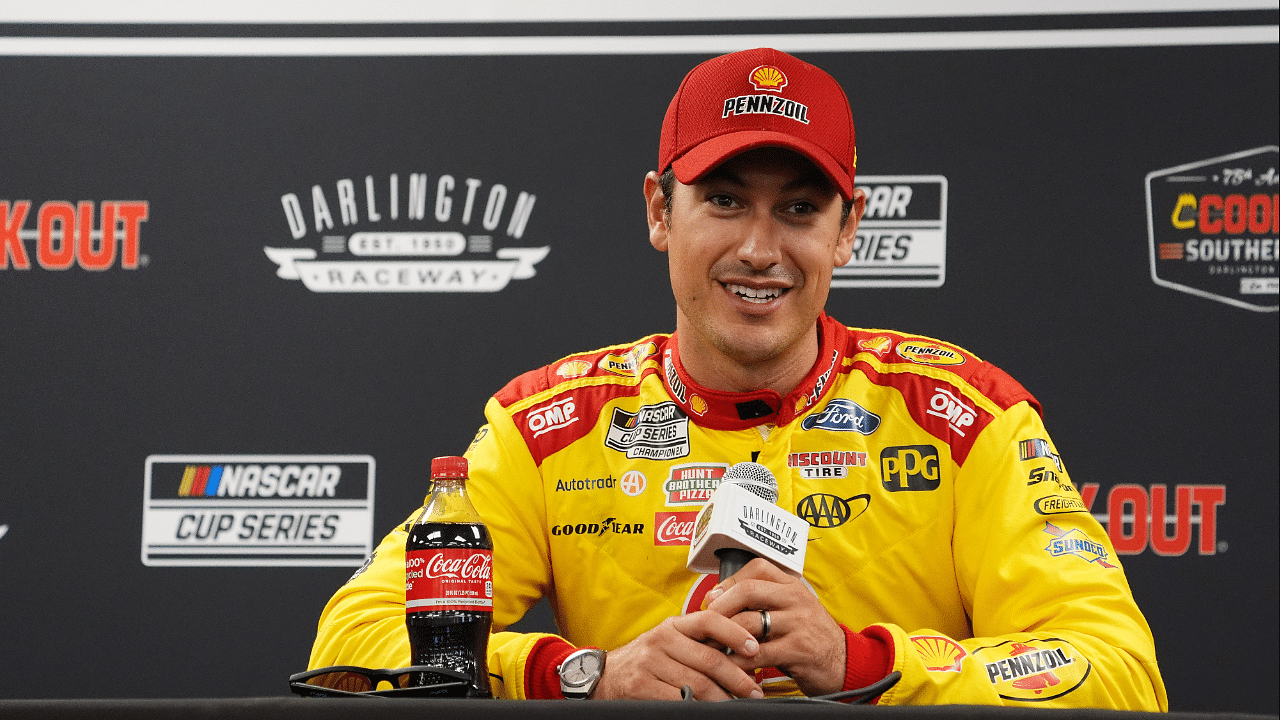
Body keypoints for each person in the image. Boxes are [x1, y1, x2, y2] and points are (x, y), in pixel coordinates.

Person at [308, 47, 1166, 709]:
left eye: (799, 208)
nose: (760, 249)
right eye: (723, 200)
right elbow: (354, 641)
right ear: (658, 210)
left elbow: (1119, 672)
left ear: (847, 230)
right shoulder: (547, 427)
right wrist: (583, 674)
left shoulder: (965, 415)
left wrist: (865, 662)